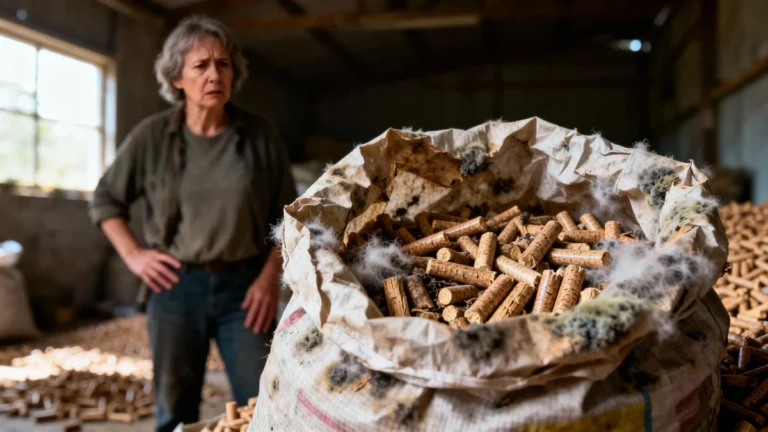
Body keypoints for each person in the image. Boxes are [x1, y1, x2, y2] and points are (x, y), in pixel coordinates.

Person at [89, 15, 295, 432]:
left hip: (246, 287)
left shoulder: (259, 135)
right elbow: (105, 201)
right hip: (175, 288)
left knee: (265, 402)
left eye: (223, 64)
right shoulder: (152, 138)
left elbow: (290, 217)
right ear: (176, 77)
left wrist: (270, 278)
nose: (214, 74)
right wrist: (135, 256)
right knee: (175, 409)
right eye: (200, 65)